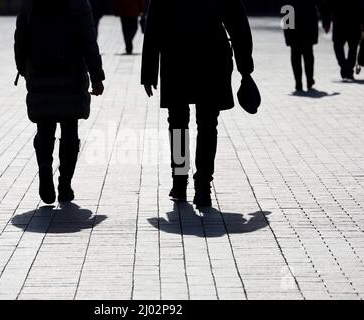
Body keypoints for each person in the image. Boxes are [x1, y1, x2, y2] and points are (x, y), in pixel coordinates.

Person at [141, 0, 255, 208]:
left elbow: (154, 23)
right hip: (212, 55)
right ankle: (203, 187)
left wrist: (149, 71)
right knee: (208, 124)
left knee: (177, 123)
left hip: (176, 56)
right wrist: (245, 68)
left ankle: (180, 182)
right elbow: (238, 23)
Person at [15, 0, 105, 204]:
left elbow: (21, 36)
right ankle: (65, 185)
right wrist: (97, 75)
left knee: (44, 127)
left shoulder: (31, 2)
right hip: (71, 74)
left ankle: (45, 167)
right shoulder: (79, 3)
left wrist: (22, 66)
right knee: (70, 130)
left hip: (39, 72)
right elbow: (88, 40)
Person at [282, 0, 329, 91]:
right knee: (308, 52)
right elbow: (321, 4)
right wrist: (326, 21)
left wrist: (287, 28)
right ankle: (309, 79)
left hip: (292, 18)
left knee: (295, 52)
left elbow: (285, 5)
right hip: (308, 20)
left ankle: (298, 82)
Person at [324, 0, 364, 80]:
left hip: (339, 21)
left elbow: (328, 6)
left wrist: (327, 22)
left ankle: (345, 67)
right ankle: (348, 69)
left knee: (338, 45)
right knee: (353, 47)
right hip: (353, 21)